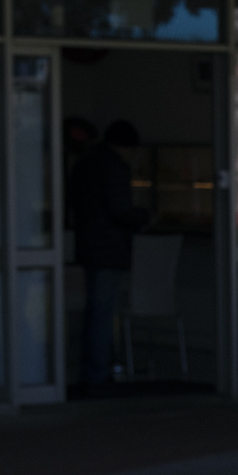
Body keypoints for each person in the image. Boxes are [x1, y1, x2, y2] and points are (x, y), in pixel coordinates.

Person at [66, 119, 145, 394]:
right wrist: (145, 217)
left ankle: (93, 370)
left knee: (94, 312)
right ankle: (98, 374)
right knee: (102, 313)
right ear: (124, 147)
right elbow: (120, 209)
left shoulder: (85, 162)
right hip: (108, 249)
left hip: (88, 247)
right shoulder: (114, 167)